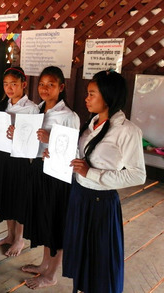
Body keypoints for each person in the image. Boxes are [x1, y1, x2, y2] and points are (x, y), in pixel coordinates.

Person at [63, 70, 146, 293]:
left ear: (108, 97)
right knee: (82, 255)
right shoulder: (91, 123)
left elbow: (138, 175)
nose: (86, 98)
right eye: (87, 94)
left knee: (99, 261)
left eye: (92, 94)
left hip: (101, 202)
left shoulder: (127, 131)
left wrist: (92, 173)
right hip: (80, 196)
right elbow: (80, 160)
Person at [20, 66, 80, 289]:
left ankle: (52, 273)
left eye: (51, 85)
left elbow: (74, 152)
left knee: (55, 222)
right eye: (42, 84)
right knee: (44, 219)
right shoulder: (37, 110)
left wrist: (51, 139)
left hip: (58, 178)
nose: (45, 89)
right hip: (38, 170)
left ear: (61, 88)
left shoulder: (69, 116)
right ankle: (45, 264)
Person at [0, 66, 39, 257]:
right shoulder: (3, 104)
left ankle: (20, 239)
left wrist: (18, 134)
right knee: (6, 196)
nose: (9, 88)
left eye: (14, 84)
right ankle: (9, 235)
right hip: (2, 155)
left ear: (23, 85)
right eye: (6, 84)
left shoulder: (32, 108)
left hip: (20, 159)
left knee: (19, 198)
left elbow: (34, 137)